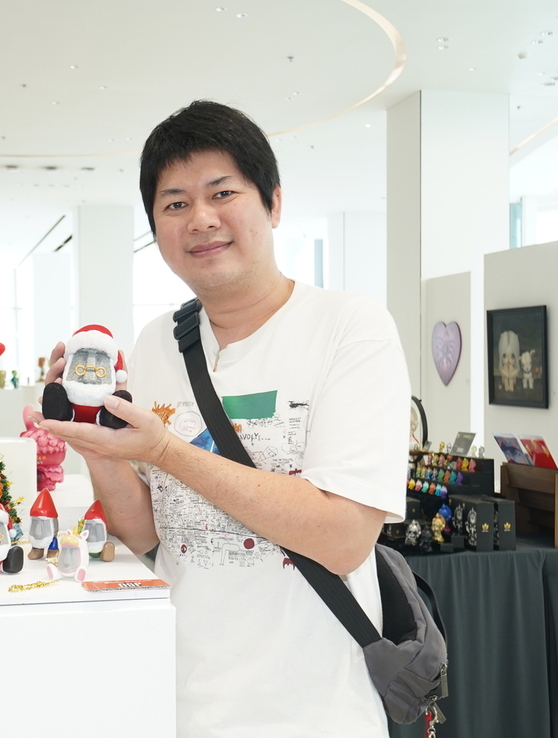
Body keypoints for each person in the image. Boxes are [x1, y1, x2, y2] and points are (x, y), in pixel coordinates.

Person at [37, 100, 410, 737]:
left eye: (222, 193)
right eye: (175, 203)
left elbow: (344, 537)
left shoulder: (350, 328)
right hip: (178, 702)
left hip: (314, 714)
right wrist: (99, 446)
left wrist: (165, 451)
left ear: (273, 202)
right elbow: (149, 534)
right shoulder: (158, 342)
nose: (201, 219)